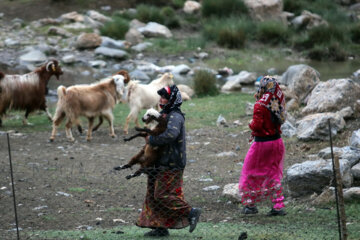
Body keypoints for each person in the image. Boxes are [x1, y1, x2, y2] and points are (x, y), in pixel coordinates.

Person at [136, 84, 201, 237]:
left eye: (164, 97)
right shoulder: (164, 114)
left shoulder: (175, 116)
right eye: (161, 96)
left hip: (171, 162)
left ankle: (191, 212)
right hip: (159, 162)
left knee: (163, 195)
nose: (161, 99)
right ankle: (160, 227)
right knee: (152, 195)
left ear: (172, 99)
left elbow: (171, 135)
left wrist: (152, 139)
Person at [238, 75, 287, 216]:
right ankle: (278, 205)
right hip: (277, 142)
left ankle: (250, 204)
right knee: (274, 173)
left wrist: (250, 125)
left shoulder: (260, 104)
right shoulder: (277, 101)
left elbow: (257, 126)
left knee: (249, 172)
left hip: (262, 144)